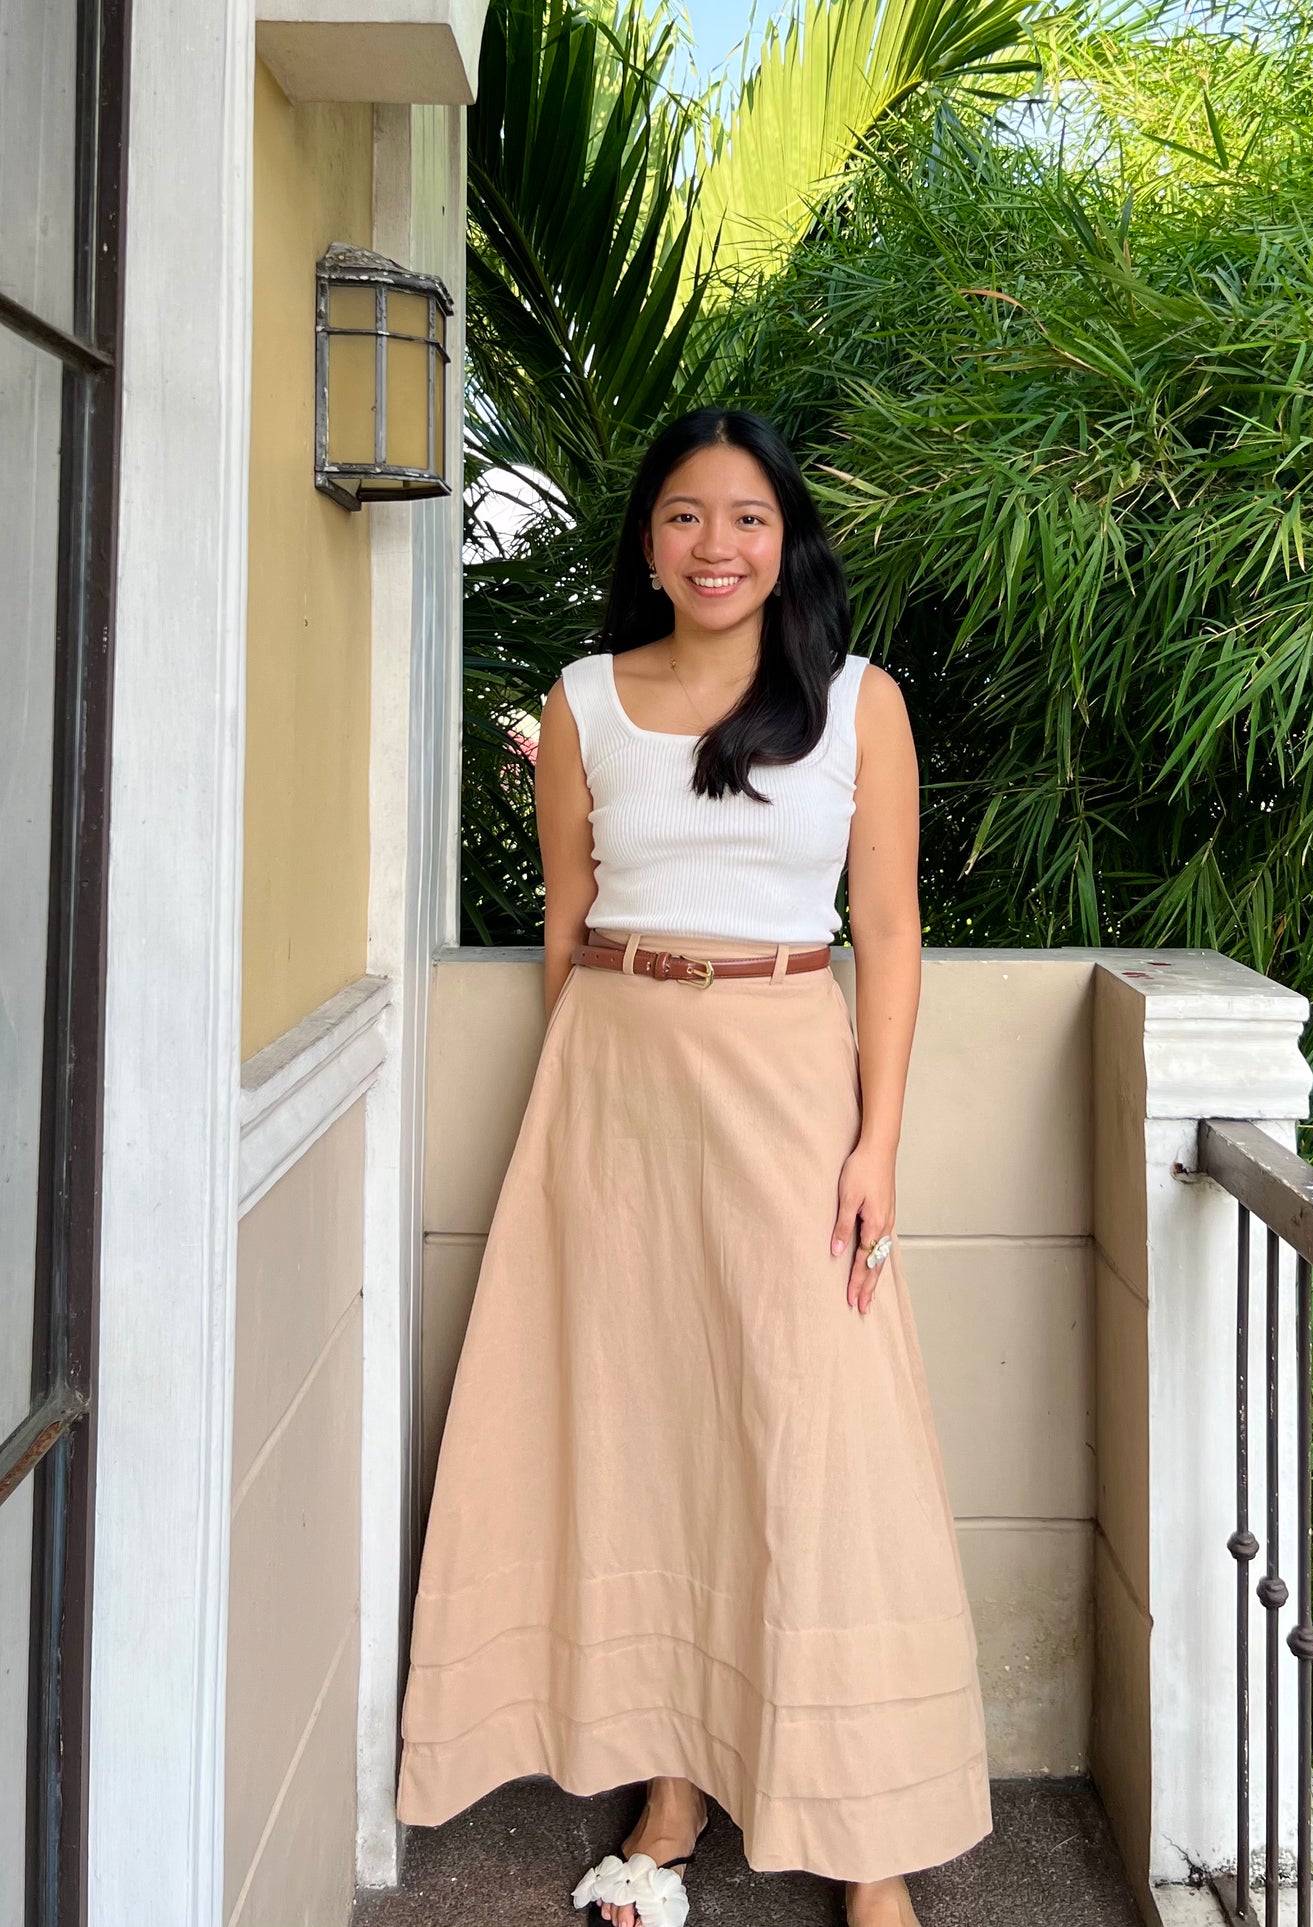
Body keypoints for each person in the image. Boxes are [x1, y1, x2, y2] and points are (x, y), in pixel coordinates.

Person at [395, 407, 992, 1927]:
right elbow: (565, 916)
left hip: (790, 1081)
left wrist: (877, 1144)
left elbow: (894, 934)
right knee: (643, 1436)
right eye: (681, 516)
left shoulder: (858, 702)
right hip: (613, 1088)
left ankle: (869, 1846)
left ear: (786, 541)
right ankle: (667, 1791)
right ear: (645, 542)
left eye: (743, 517)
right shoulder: (584, 697)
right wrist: (571, 1113)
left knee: (821, 1449)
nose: (713, 546)